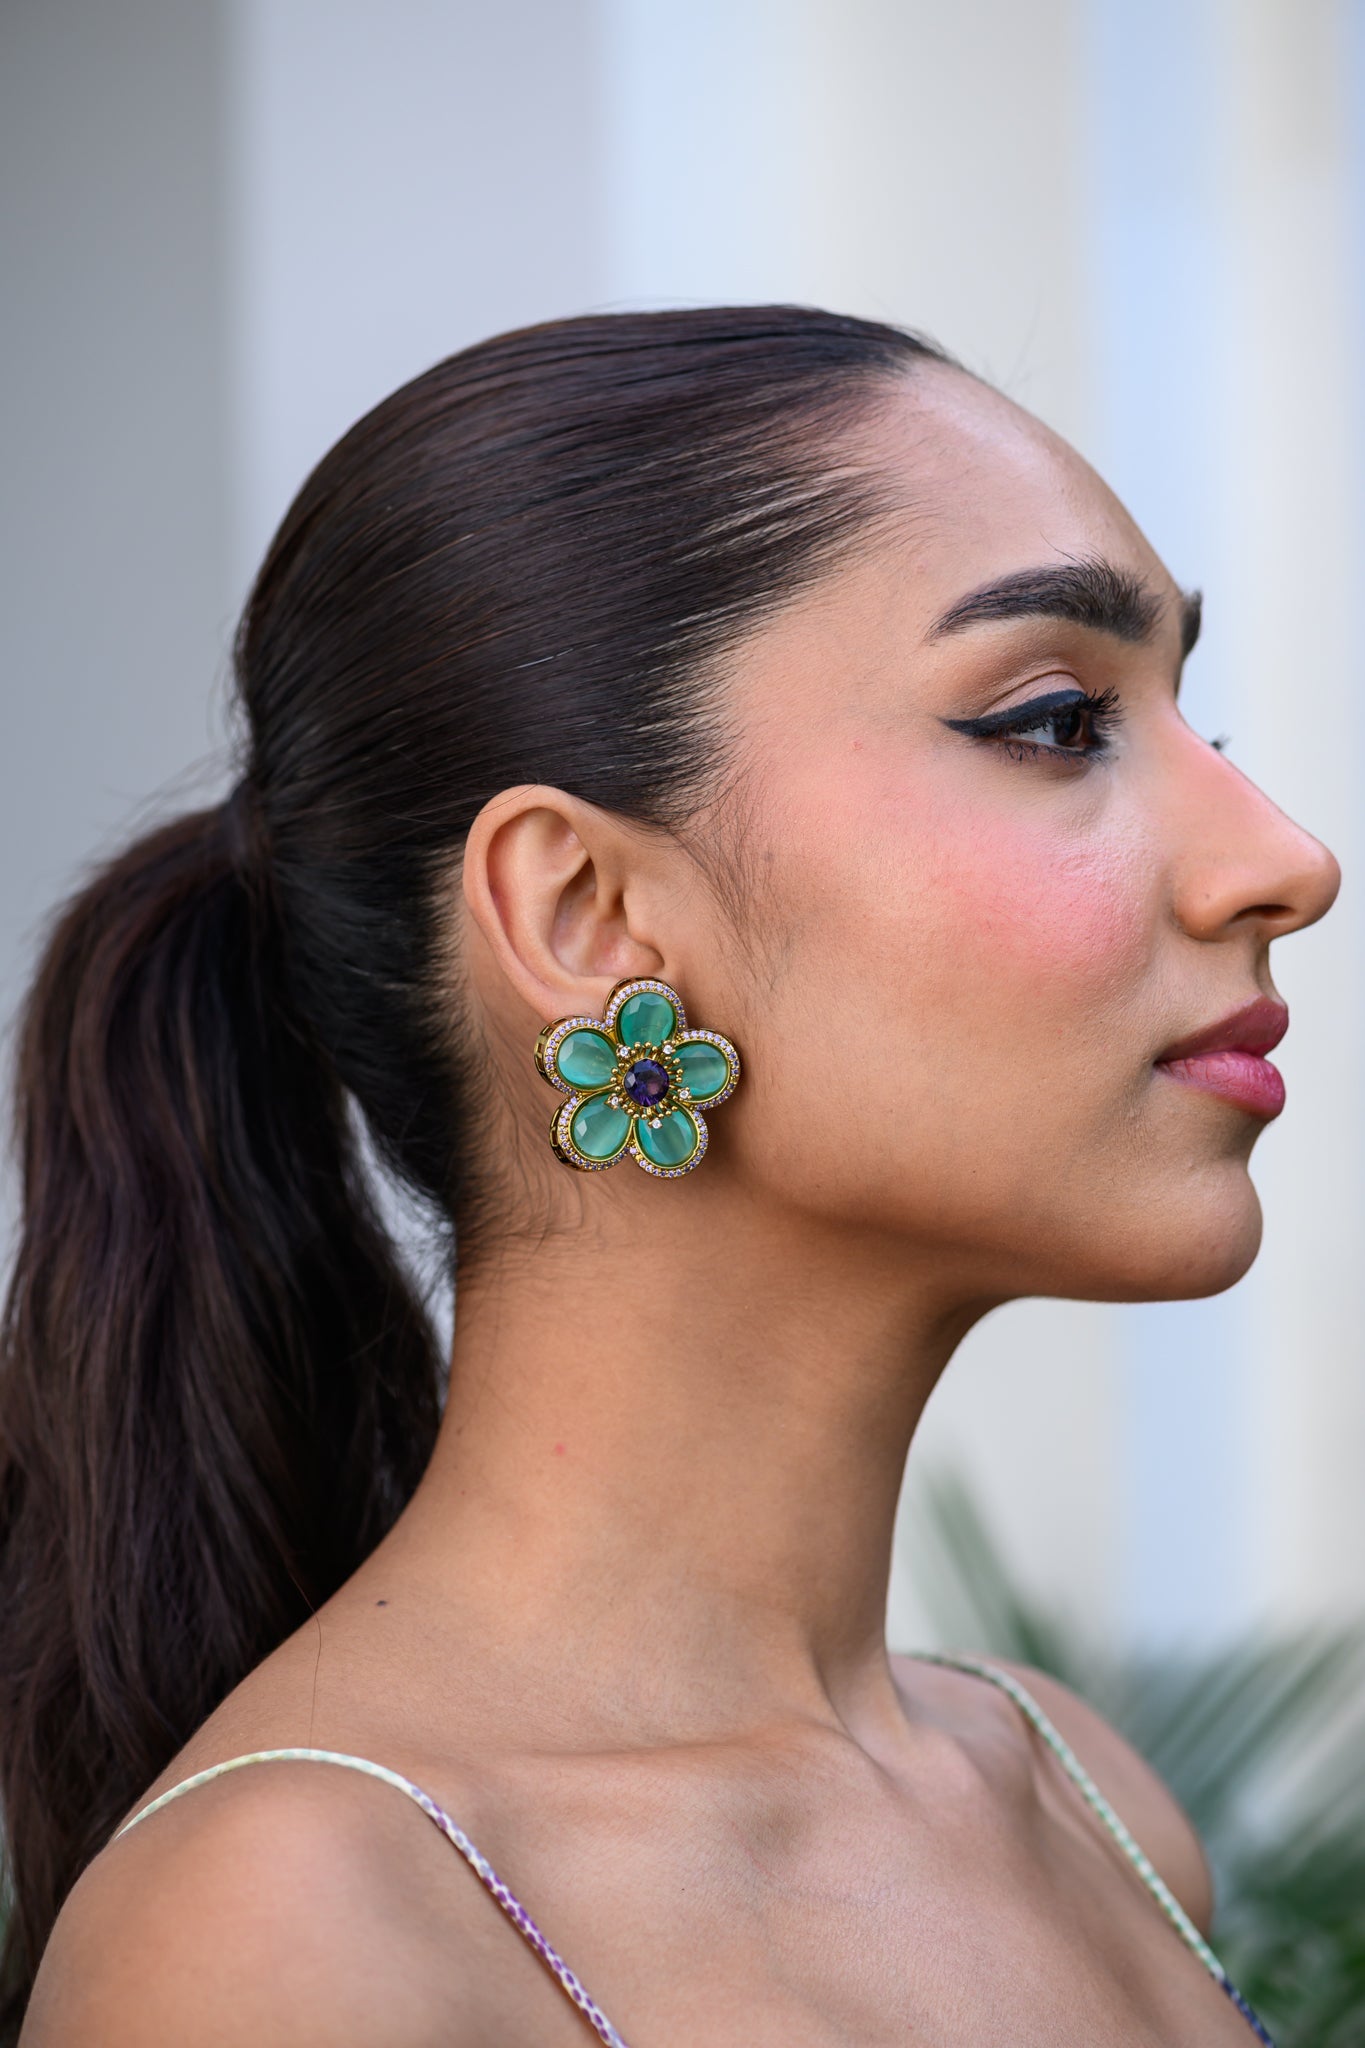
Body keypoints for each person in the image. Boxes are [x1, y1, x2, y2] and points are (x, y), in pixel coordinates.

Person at [1, 307, 1337, 2046]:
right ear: (587, 917)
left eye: (1187, 714)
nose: (1283, 859)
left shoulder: (1080, 1802)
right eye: (1058, 719)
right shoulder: (293, 1937)